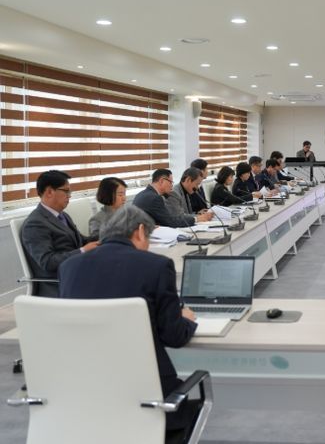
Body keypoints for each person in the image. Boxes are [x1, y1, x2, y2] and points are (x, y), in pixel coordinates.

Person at [58, 205, 198, 436]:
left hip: (85, 392)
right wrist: (187, 319)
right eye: (149, 238)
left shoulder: (69, 266)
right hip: (148, 395)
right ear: (140, 231)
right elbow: (174, 336)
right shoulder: (156, 266)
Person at [20, 170, 99, 297]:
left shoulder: (62, 215)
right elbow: (48, 262)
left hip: (77, 272)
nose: (69, 196)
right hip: (61, 284)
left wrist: (105, 236)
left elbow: (80, 241)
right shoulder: (35, 224)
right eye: (66, 191)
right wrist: (83, 250)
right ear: (49, 192)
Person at [133, 169, 211, 227]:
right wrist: (196, 219)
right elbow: (170, 222)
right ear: (161, 181)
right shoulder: (155, 198)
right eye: (170, 182)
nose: (171, 186)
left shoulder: (142, 194)